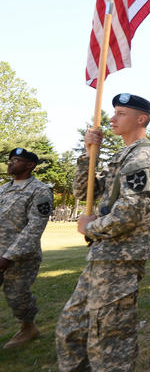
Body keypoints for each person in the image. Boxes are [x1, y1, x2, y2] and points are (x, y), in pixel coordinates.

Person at [56, 93, 150, 372]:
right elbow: (85, 191)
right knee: (71, 328)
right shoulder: (121, 157)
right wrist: (87, 153)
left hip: (120, 257)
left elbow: (130, 212)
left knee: (109, 339)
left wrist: (90, 227)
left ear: (141, 119)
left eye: (121, 113)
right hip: (102, 255)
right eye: (113, 112)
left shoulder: (142, 157)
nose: (112, 118)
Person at [0, 147, 52, 349]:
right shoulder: (3, 188)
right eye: (10, 159)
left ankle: (28, 327)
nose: (11, 163)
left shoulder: (40, 190)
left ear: (30, 165)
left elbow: (35, 226)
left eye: (16, 160)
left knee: (17, 296)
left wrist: (8, 256)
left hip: (21, 256)